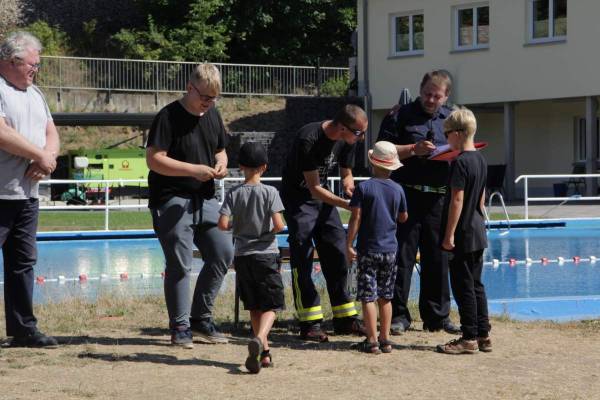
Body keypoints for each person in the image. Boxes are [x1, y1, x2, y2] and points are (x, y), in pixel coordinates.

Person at [146, 63, 233, 348]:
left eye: (213, 98)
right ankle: (180, 326)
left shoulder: (213, 115)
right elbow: (155, 159)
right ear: (190, 88)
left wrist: (221, 163)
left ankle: (200, 320)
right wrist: (192, 170)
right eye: (204, 97)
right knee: (180, 265)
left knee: (223, 253)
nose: (208, 103)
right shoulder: (167, 116)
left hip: (206, 198)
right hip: (171, 199)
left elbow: (220, 150)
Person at [377, 70, 461, 335]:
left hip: (438, 197)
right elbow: (381, 150)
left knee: (438, 259)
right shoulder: (399, 116)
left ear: (446, 96)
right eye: (427, 94)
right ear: (420, 89)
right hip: (406, 195)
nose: (431, 100)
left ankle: (437, 317)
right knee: (401, 257)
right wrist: (413, 150)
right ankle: (399, 316)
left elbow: (462, 152)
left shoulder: (451, 119)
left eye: (437, 96)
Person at [280, 104, 367, 342]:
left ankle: (345, 318)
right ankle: (309, 322)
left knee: (338, 250)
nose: (361, 138)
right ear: (342, 127)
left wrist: (350, 188)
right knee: (303, 252)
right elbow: (314, 188)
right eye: (358, 133)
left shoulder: (347, 140)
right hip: (300, 198)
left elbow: (346, 172)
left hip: (323, 197)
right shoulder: (308, 138)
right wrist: (347, 205)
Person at [0, 31, 60, 347]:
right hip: (0, 192)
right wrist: (38, 155)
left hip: (27, 195)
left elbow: (51, 132)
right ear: (13, 61)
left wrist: (47, 156)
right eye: (32, 65)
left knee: (23, 262)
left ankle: (23, 329)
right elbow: (1, 132)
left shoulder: (35, 93)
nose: (36, 70)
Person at [218, 141, 285, 373]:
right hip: (266, 254)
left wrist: (242, 227)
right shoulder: (271, 192)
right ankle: (260, 339)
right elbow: (279, 225)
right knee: (272, 305)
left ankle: (264, 355)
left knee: (254, 307)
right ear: (264, 167)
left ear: (240, 166)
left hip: (243, 256)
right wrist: (263, 231)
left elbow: (223, 224)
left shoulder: (233, 193)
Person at [437, 108, 491, 354]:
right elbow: (480, 199)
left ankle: (468, 337)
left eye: (446, 133)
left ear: (458, 134)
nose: (446, 139)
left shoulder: (459, 162)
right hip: (478, 228)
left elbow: (457, 201)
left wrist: (449, 234)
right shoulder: (479, 158)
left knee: (462, 285)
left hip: (464, 233)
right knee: (477, 284)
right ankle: (483, 334)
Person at [346, 141, 408, 354]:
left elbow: (356, 217)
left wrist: (348, 243)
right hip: (390, 249)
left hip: (368, 249)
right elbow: (403, 217)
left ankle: (371, 340)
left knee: (368, 296)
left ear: (373, 163)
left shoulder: (364, 187)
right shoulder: (398, 189)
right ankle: (386, 339)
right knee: (386, 296)